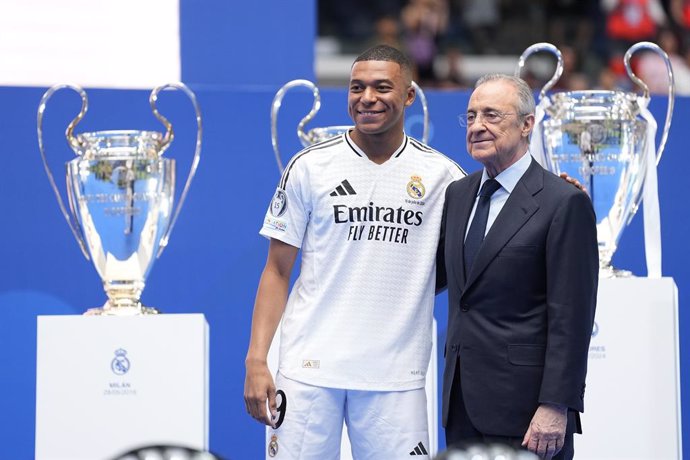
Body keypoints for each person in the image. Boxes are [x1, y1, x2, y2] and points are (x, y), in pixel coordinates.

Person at [244, 44, 466, 459]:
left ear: (410, 95)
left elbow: (485, 245)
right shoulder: (309, 167)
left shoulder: (443, 177)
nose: (367, 98)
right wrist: (256, 360)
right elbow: (276, 271)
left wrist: (560, 197)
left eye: (383, 87)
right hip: (308, 373)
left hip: (396, 378)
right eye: (356, 87)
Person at [436, 74, 598, 460]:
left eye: (491, 115)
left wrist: (556, 405)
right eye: (471, 115)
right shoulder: (458, 194)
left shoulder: (563, 202)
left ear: (528, 124)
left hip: (528, 415)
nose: (477, 126)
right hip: (460, 405)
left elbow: (571, 318)